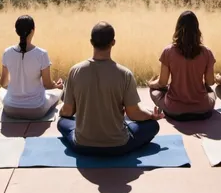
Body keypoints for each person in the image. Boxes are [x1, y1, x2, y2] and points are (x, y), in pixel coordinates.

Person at [58, 21, 163, 156]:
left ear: (91, 42)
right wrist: (152, 116)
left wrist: (61, 111)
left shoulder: (75, 71)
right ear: (113, 42)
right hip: (117, 146)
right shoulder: (125, 74)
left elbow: (67, 111)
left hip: (82, 145)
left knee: (62, 122)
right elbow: (133, 114)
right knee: (152, 126)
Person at [148, 11, 216, 120]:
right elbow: (210, 82)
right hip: (202, 109)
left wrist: (151, 83)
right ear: (197, 30)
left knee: (153, 90)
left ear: (178, 29)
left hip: (174, 109)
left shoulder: (168, 51)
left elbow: (162, 82)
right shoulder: (207, 52)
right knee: (212, 92)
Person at [0, 15, 63, 119]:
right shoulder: (41, 54)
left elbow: (3, 83)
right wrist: (57, 86)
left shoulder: (7, 52)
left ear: (16, 31)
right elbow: (47, 84)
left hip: (10, 109)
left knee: (1, 91)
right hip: (36, 110)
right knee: (58, 93)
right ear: (33, 30)